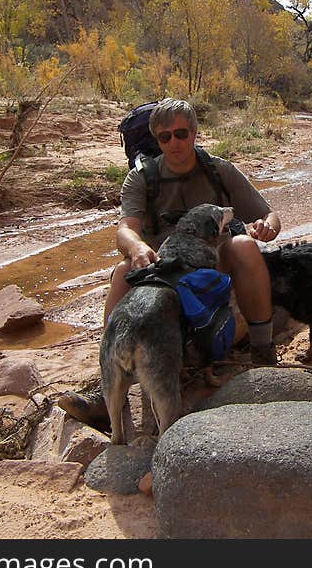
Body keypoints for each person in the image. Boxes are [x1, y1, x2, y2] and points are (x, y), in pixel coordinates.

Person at [59, 98, 282, 426]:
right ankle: (107, 390)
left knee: (245, 246)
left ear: (194, 133)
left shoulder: (219, 170)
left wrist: (267, 227)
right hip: (160, 266)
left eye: (181, 133)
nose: (174, 142)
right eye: (165, 137)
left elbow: (269, 214)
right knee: (122, 272)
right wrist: (136, 249)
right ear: (156, 139)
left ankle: (263, 355)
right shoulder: (141, 179)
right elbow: (125, 230)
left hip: (212, 265)